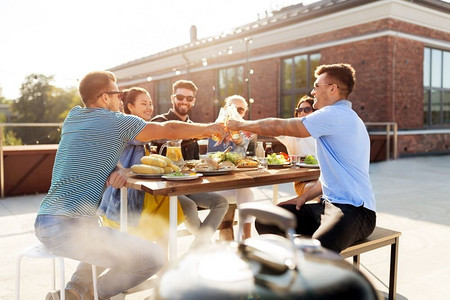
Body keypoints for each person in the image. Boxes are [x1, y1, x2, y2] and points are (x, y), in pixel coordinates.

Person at [36, 71, 225, 300]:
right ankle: (90, 297)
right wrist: (211, 128)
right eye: (119, 94)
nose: (121, 100)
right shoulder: (117, 122)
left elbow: (86, 150)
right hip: (67, 228)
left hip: (49, 221)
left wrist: (115, 169)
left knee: (109, 242)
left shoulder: (73, 116)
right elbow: (170, 130)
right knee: (152, 258)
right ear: (105, 97)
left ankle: (71, 295)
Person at [227, 63, 376, 253]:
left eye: (316, 86)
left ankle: (305, 271)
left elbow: (279, 126)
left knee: (316, 250)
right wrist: (302, 198)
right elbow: (330, 176)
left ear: (332, 88)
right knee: (267, 221)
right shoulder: (341, 117)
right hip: (327, 207)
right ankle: (288, 267)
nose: (313, 92)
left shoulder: (335, 114)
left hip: (355, 212)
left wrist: (240, 124)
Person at [99, 87, 185, 242]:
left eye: (150, 103)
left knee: (164, 229)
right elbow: (165, 132)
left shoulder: (141, 128)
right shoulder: (128, 127)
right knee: (120, 254)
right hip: (124, 200)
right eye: (144, 103)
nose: (149, 107)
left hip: (140, 197)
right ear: (130, 107)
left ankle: (165, 264)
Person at [151, 79, 229, 249]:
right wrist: (200, 133)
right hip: (166, 187)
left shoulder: (195, 127)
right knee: (190, 206)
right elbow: (162, 142)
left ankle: (196, 250)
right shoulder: (160, 121)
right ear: (173, 98)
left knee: (221, 202)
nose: (184, 101)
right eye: (180, 97)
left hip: (189, 185)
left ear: (193, 101)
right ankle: (206, 248)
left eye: (189, 98)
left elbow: (195, 163)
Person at [208, 95, 255, 240]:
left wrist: (237, 132)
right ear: (225, 109)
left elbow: (244, 144)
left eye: (239, 109)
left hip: (239, 182)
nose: (235, 111)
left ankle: (246, 239)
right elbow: (210, 157)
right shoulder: (215, 129)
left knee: (246, 190)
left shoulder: (247, 130)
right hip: (219, 183)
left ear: (244, 112)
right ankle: (229, 243)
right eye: (232, 107)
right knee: (240, 195)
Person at [275, 95, 319, 197]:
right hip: (303, 182)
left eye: (307, 109)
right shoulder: (292, 133)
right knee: (323, 191)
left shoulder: (322, 133)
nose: (302, 113)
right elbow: (273, 130)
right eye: (299, 110)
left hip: (323, 179)